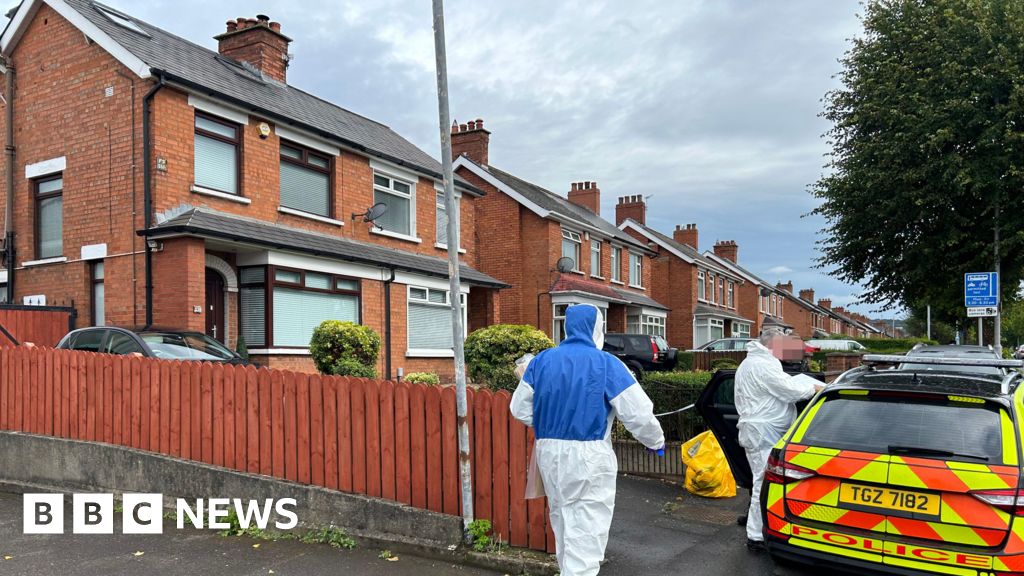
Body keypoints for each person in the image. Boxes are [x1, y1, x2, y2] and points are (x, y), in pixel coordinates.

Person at [510, 304, 664, 576]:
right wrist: (656, 441)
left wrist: (551, 421)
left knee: (564, 525)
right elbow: (638, 414)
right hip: (589, 457)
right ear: (597, 328)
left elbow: (519, 409)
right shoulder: (607, 364)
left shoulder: (541, 361)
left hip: (549, 453)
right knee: (587, 531)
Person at [735, 328, 822, 551]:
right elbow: (790, 391)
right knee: (762, 483)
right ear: (773, 344)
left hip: (761, 431)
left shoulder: (753, 363)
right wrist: (813, 387)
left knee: (762, 481)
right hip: (763, 432)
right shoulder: (763, 365)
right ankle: (755, 536)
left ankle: (761, 524)